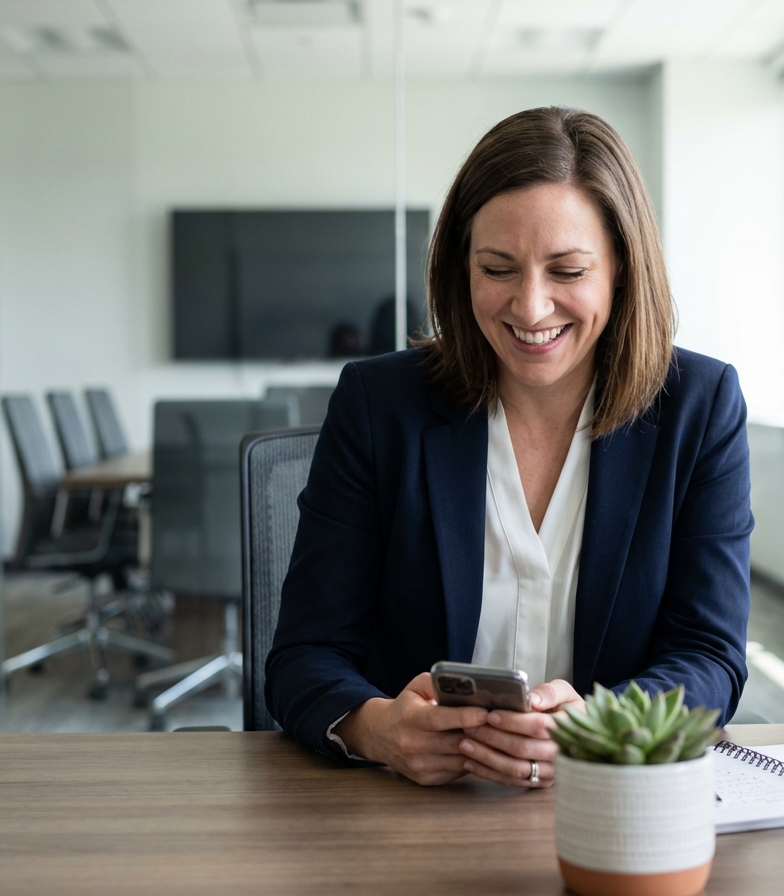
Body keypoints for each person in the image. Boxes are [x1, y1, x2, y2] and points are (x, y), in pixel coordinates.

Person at [265, 106, 751, 789]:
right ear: (461, 267)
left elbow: (710, 655)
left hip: (610, 802)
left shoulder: (700, 408)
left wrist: (602, 731)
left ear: (621, 270)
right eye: (498, 268)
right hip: (407, 818)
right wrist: (380, 730)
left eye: (568, 271)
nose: (529, 308)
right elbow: (304, 656)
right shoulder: (380, 407)